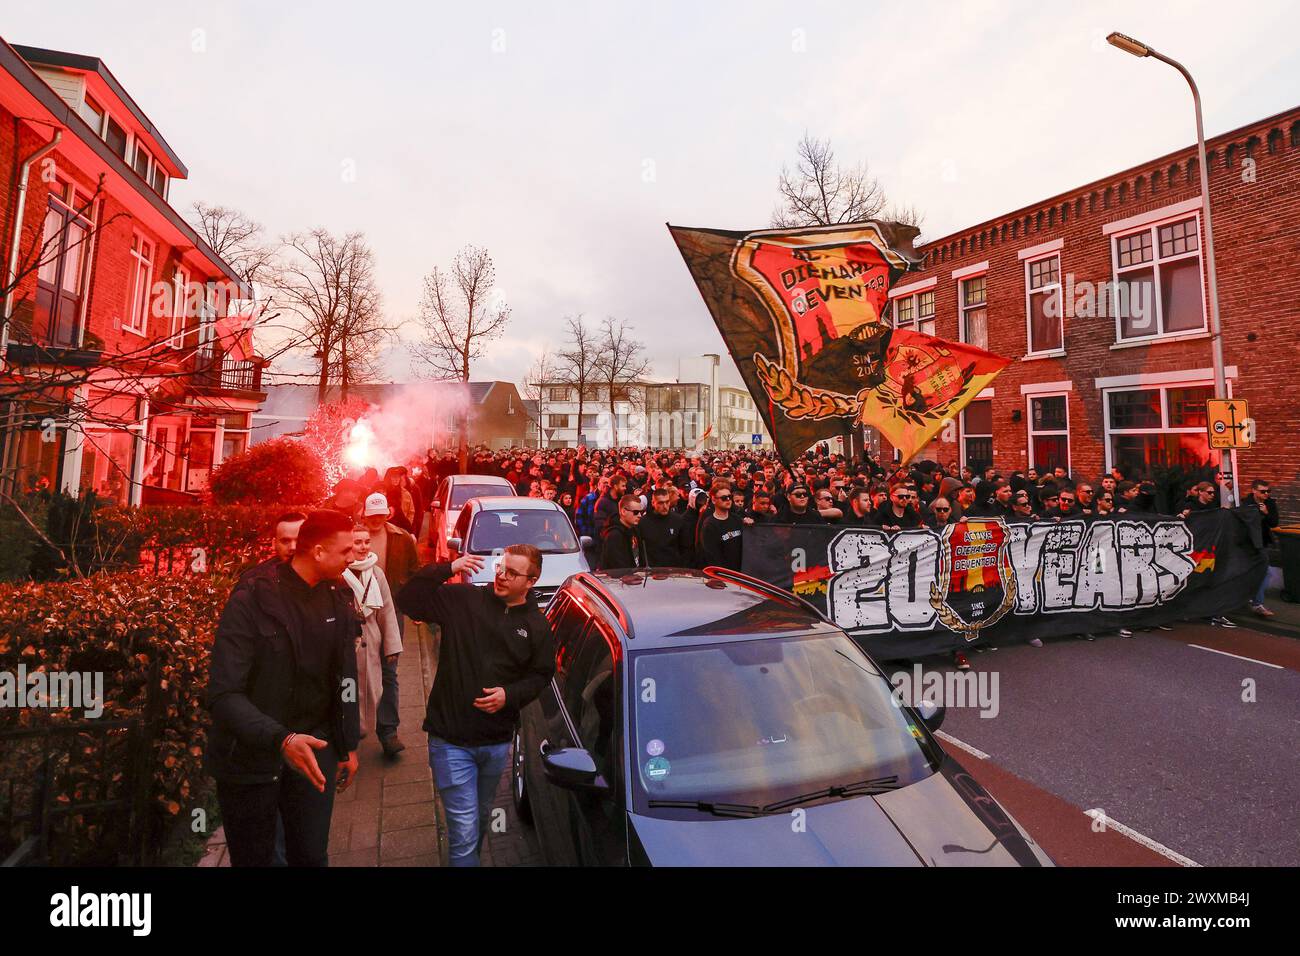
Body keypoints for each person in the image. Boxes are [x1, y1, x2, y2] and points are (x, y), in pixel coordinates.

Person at [205, 510, 361, 867]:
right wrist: (281, 739)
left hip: (316, 750)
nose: (353, 558)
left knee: (310, 856)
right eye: (346, 550)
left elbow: (346, 679)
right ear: (318, 552)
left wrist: (347, 744)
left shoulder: (339, 595)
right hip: (251, 762)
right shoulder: (252, 597)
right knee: (258, 859)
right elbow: (223, 693)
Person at [396, 545, 555, 867]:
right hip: (450, 738)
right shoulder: (464, 600)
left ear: (531, 581)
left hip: (495, 743)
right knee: (466, 826)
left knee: (480, 818)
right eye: (501, 567)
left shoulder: (537, 626)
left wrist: (509, 696)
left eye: (512, 573)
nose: (501, 576)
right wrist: (447, 568)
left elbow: (541, 674)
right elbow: (408, 598)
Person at [361, 493, 419, 757]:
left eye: (380, 515)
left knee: (389, 670)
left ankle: (388, 731)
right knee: (352, 673)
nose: (375, 520)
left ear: (388, 514)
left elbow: (412, 571)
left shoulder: (402, 538)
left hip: (390, 610)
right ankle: (353, 726)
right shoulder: (351, 535)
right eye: (371, 515)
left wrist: (408, 603)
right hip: (357, 614)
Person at [345, 525, 402, 740]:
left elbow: (387, 609)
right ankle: (351, 729)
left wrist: (391, 646)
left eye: (366, 541)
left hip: (372, 639)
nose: (363, 546)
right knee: (349, 687)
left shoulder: (376, 572)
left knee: (376, 687)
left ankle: (379, 728)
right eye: (357, 542)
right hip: (349, 643)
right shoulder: (340, 572)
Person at [1248, 479, 1279, 617]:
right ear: (1254, 491)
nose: (1266, 494)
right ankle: (1253, 601)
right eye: (1263, 491)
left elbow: (1274, 523)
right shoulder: (1246, 503)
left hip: (1262, 543)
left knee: (1265, 573)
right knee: (1252, 572)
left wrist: (1266, 512)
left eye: (1268, 491)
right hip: (1247, 543)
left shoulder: (1270, 503)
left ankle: (1256, 602)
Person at [698, 481, 744, 571]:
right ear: (714, 500)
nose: (728, 500)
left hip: (740, 573)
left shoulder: (737, 519)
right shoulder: (709, 525)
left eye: (730, 497)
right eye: (724, 498)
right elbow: (712, 557)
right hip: (724, 575)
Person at [600, 494, 649, 571]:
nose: (639, 515)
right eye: (636, 512)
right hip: (619, 580)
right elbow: (618, 566)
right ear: (623, 511)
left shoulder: (635, 530)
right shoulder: (614, 536)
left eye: (641, 512)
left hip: (636, 579)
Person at [640, 486, 686, 565]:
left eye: (667, 502)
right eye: (660, 503)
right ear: (653, 503)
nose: (665, 506)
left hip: (673, 570)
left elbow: (684, 548)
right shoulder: (642, 523)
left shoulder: (678, 520)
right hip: (651, 571)